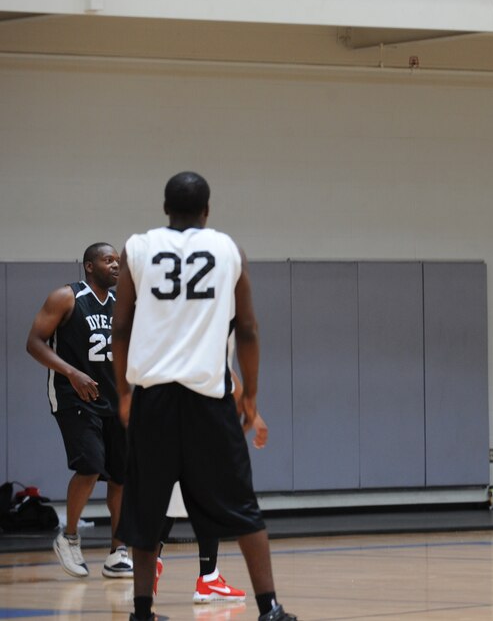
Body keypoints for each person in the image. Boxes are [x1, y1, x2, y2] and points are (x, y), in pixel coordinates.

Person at [112, 171, 294, 621]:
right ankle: (269, 608)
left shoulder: (136, 248)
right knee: (242, 503)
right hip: (208, 398)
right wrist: (250, 396)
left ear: (164, 208)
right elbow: (248, 328)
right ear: (207, 211)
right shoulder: (228, 250)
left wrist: (122, 391)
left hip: (152, 397)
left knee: (145, 505)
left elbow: (121, 327)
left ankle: (141, 611)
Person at [26, 242, 134, 579]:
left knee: (121, 476)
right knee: (89, 466)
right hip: (75, 397)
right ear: (89, 266)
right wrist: (71, 372)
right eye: (108, 260)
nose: (116, 265)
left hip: (116, 399)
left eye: (118, 261)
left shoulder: (122, 304)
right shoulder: (66, 297)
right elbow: (34, 342)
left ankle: (118, 551)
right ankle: (69, 536)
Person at [155, 359, 268, 604]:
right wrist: (252, 411)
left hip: (163, 418)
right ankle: (208, 578)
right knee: (210, 499)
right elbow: (225, 368)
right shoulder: (206, 333)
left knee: (172, 497)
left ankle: (153, 562)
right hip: (203, 420)